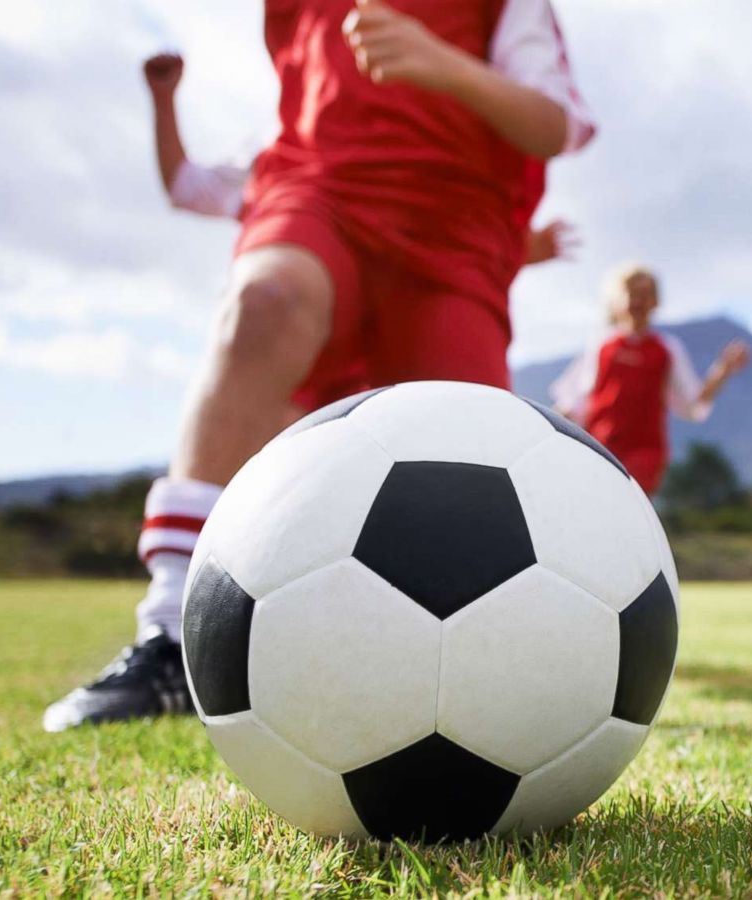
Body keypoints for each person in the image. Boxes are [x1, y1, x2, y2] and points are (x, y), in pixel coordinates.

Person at [45, 0, 595, 731]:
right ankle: (176, 633)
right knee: (266, 302)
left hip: (452, 222)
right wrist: (165, 100)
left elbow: (553, 123)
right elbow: (191, 184)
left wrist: (441, 63)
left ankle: (462, 663)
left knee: (465, 457)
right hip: (319, 188)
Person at [141, 51, 580, 264]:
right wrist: (164, 100)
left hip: (403, 354)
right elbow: (184, 185)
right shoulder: (273, 152)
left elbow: (442, 226)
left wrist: (513, 248)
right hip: (297, 361)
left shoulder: (417, 126)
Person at [550, 265, 750, 496]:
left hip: (645, 454)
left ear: (655, 302)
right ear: (617, 301)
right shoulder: (601, 345)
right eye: (632, 293)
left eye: (646, 294)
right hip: (598, 447)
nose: (638, 301)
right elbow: (571, 402)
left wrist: (723, 370)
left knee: (626, 508)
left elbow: (693, 402)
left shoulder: (667, 350)